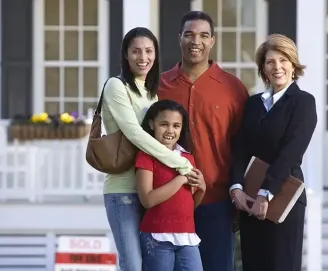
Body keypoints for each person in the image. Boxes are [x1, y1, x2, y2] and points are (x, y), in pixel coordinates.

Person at [157, 10, 249, 271]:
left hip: (216, 203)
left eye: (203, 35)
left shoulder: (232, 88)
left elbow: (242, 147)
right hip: (167, 202)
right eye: (189, 34)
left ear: (212, 41)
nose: (195, 41)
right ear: (179, 38)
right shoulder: (160, 85)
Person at [101, 27, 195, 271]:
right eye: (136, 51)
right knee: (132, 264)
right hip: (122, 190)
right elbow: (135, 134)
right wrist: (182, 163)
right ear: (125, 55)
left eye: (149, 51)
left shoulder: (151, 93)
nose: (143, 57)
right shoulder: (116, 86)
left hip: (151, 191)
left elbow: (161, 138)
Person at [229, 34, 317, 271]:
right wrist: (236, 188)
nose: (277, 67)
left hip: (282, 201)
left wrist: (264, 194)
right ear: (263, 68)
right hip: (249, 201)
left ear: (293, 65)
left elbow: (290, 153)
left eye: (283, 60)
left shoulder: (303, 102)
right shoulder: (253, 103)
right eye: (270, 62)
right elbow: (241, 148)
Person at [136, 99, 206, 271]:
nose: (170, 131)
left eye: (176, 126)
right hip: (157, 236)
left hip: (187, 234)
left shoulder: (187, 158)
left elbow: (189, 204)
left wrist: (202, 188)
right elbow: (147, 200)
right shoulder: (146, 156)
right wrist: (181, 179)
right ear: (152, 124)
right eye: (164, 124)